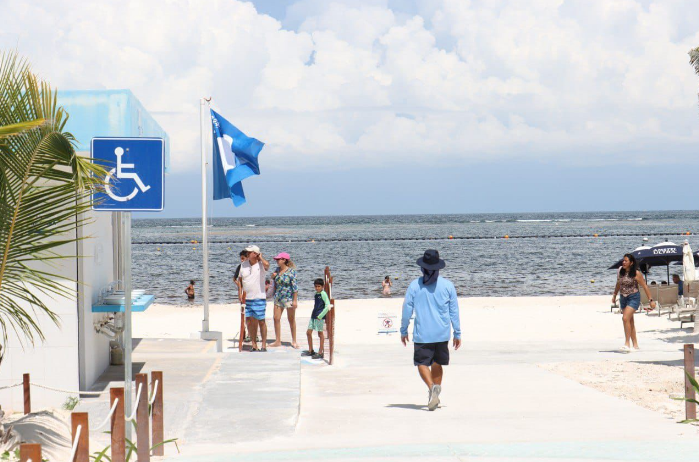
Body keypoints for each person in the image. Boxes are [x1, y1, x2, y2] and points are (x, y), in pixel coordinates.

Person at [401, 249, 461, 411]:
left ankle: (431, 388)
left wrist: (403, 330)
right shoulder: (448, 285)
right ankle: (435, 393)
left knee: (421, 363)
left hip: (422, 334)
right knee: (437, 363)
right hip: (442, 333)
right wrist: (457, 332)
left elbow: (407, 309)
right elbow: (454, 311)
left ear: (422, 267)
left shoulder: (415, 285)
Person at [612, 253, 655, 352]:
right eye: (623, 260)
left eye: (626, 261)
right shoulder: (620, 271)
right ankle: (635, 345)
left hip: (633, 298)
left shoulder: (636, 273)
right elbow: (618, 283)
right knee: (630, 321)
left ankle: (627, 343)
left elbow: (645, 286)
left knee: (625, 318)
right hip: (623, 298)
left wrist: (651, 300)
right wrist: (614, 294)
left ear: (631, 263)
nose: (623, 262)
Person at [239, 245, 270, 351]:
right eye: (247, 252)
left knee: (261, 321)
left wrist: (260, 257)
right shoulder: (243, 265)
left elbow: (267, 265)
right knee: (249, 322)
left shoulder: (261, 264)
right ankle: (254, 344)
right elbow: (240, 280)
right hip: (247, 298)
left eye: (250, 252)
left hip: (259, 297)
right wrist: (240, 294)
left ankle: (264, 345)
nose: (247, 254)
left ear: (256, 253)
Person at [270, 252, 299, 348]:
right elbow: (274, 283)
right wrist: (272, 277)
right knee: (276, 318)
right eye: (276, 259)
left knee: (291, 319)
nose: (277, 261)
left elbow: (295, 287)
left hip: (289, 298)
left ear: (284, 260)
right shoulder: (277, 270)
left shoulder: (291, 272)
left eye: (278, 259)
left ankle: (294, 341)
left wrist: (295, 301)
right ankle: (277, 340)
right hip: (278, 297)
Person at [302, 278, 330, 360]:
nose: (317, 288)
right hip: (313, 315)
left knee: (320, 334)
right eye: (316, 286)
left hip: (319, 317)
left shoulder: (323, 294)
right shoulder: (316, 294)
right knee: (308, 332)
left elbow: (327, 306)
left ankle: (320, 352)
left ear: (322, 286)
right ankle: (311, 350)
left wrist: (321, 315)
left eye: (319, 286)